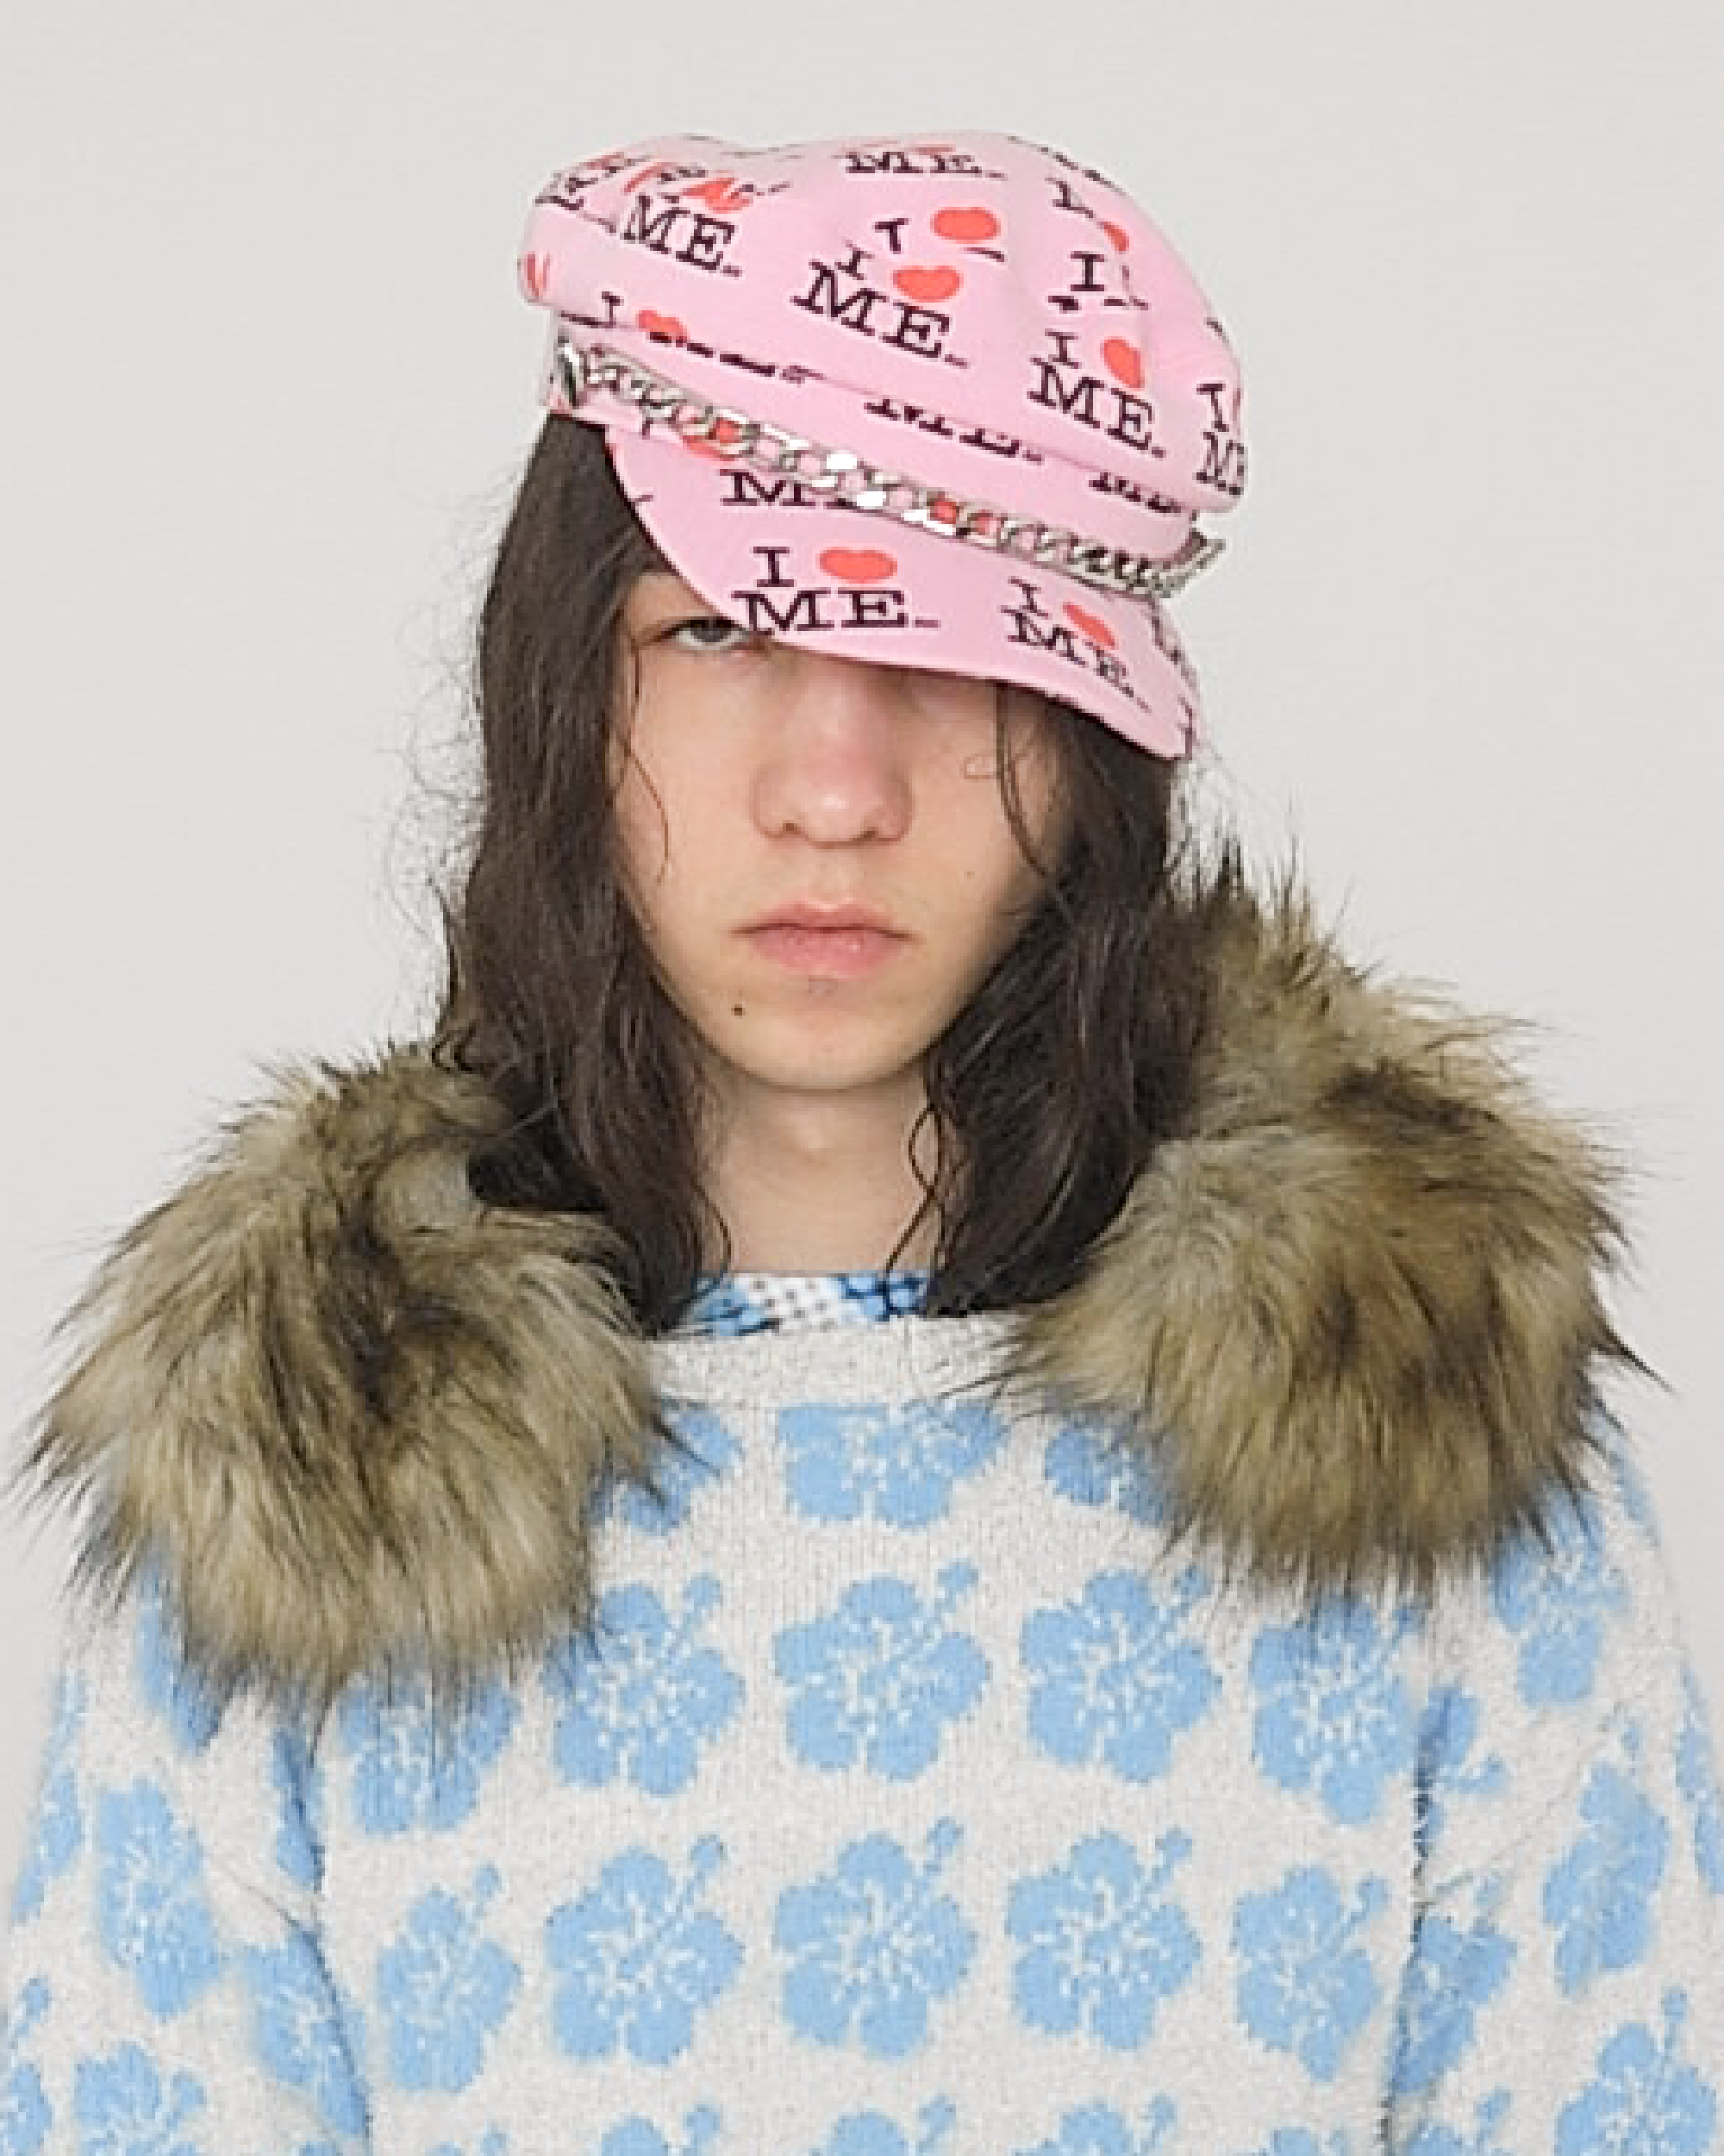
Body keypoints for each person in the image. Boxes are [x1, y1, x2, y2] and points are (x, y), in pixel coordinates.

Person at [2, 126, 1721, 2156]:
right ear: (561, 696)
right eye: (716, 634)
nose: (836, 789)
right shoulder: (289, 1491)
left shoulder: (1424, 1443)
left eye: (951, 647)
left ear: (1093, 732)